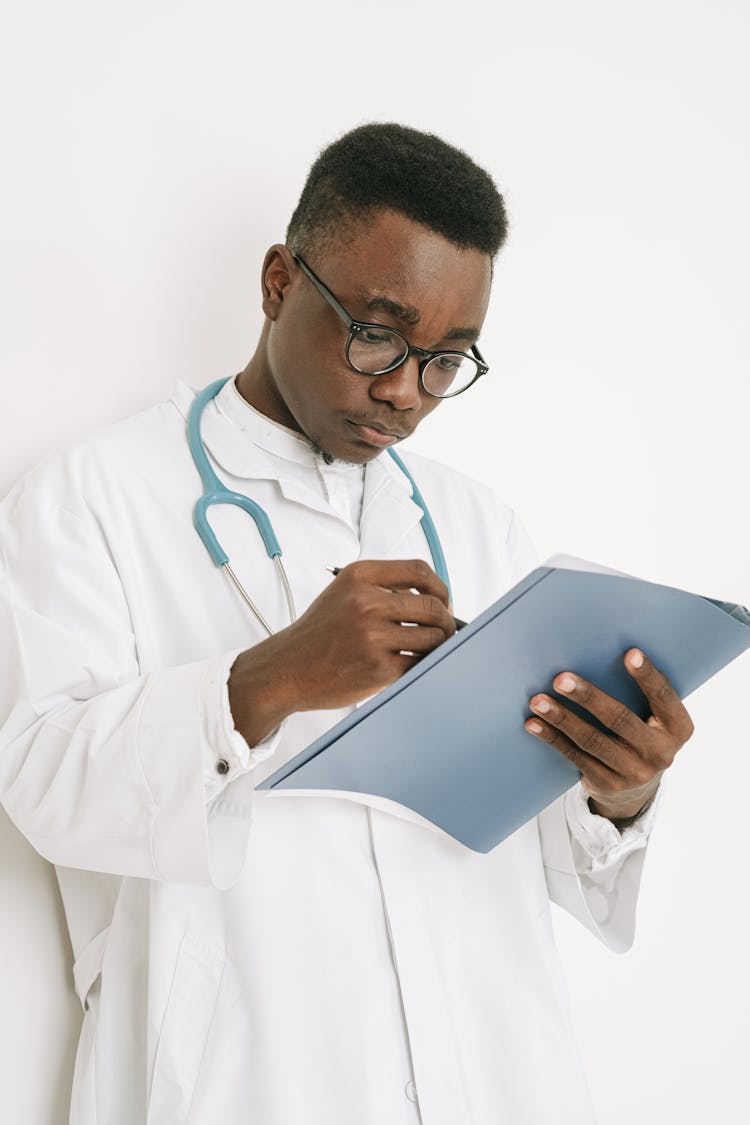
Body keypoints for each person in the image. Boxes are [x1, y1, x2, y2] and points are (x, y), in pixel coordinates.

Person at [0, 123, 693, 1125]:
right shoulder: (93, 497)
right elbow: (40, 783)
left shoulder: (479, 528)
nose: (405, 394)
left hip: (492, 1080)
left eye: (447, 361)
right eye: (378, 335)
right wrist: (263, 684)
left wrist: (618, 792)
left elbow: (548, 856)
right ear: (281, 280)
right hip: (246, 1084)